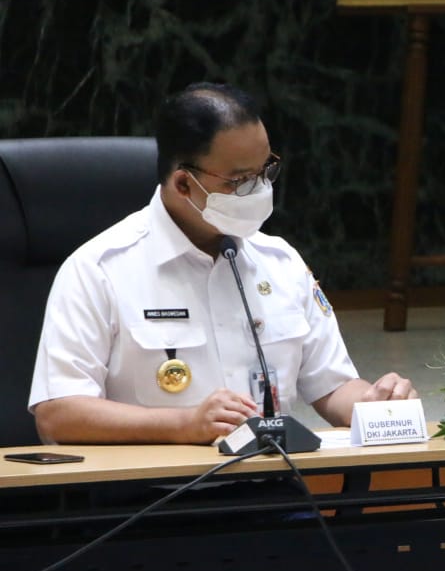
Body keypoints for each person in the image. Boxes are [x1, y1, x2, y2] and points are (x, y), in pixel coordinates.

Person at [28, 83, 417, 445]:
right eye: (240, 180)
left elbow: (332, 387)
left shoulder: (279, 262)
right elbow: (57, 412)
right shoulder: (99, 269)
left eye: (266, 171)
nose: (260, 190)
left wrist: (378, 405)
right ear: (183, 184)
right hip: (153, 498)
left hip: (273, 490)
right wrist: (184, 424)